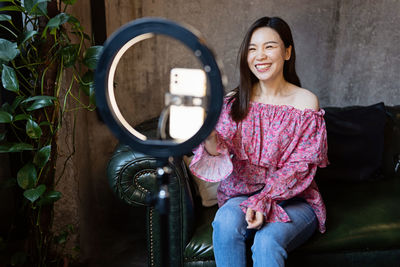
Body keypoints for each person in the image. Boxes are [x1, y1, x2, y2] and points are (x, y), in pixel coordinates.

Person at [189, 16, 329, 267]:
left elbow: (300, 167)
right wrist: (208, 134)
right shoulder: (234, 101)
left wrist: (264, 200)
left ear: (287, 52)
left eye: (269, 46)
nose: (260, 56)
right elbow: (219, 152)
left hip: (294, 200)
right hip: (239, 197)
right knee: (224, 221)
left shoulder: (305, 102)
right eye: (252, 49)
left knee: (267, 242)